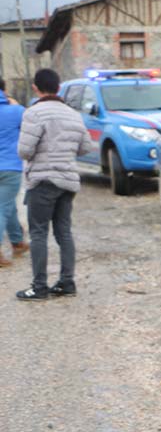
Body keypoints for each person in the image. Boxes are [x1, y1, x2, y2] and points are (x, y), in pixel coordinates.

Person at [16, 69, 92, 301]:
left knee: (38, 233)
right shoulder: (73, 114)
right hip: (67, 181)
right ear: (58, 87)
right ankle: (67, 283)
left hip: (43, 180)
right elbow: (86, 147)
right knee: (64, 233)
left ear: (36, 88)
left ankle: (39, 287)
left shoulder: (34, 113)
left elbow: (24, 150)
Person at [0, 79, 29, 268]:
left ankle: (17, 242)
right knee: (3, 206)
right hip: (10, 166)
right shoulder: (16, 111)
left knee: (7, 204)